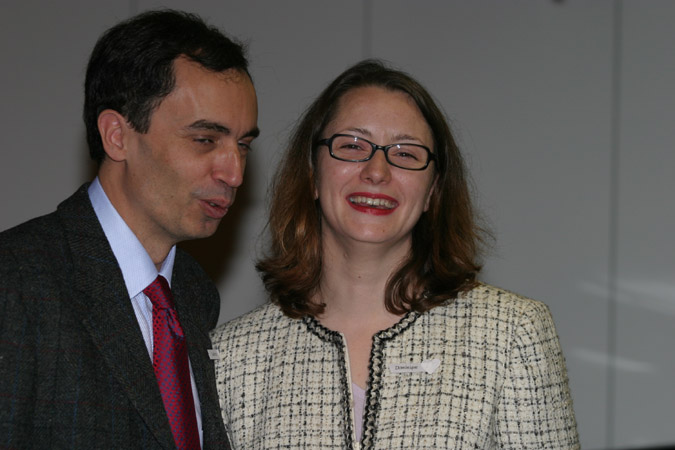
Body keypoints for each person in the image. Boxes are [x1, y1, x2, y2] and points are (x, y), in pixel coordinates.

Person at [211, 59, 579, 449]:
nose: (377, 171)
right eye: (352, 146)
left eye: (406, 154)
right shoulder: (232, 357)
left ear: (433, 190)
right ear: (313, 174)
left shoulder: (510, 335)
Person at [0, 9, 258, 450]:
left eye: (244, 145)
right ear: (117, 136)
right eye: (205, 140)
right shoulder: (16, 281)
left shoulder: (195, 294)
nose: (234, 173)